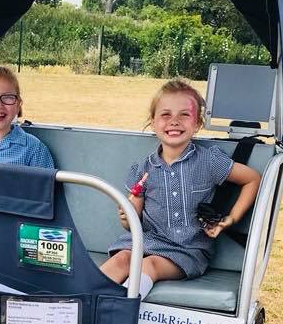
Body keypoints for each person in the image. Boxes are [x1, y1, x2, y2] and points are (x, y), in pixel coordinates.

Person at [100, 78, 261, 300]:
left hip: (187, 251)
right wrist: (127, 215)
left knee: (150, 265)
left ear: (197, 124)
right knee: (120, 260)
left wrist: (231, 218)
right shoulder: (143, 169)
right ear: (153, 122)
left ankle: (117, 312)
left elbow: (252, 179)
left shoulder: (210, 161)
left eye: (184, 115)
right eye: (165, 115)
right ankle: (85, 305)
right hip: (144, 241)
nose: (174, 121)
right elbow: (130, 224)